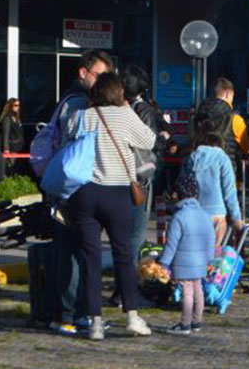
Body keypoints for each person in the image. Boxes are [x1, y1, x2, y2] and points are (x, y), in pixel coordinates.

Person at [65, 72, 157, 340]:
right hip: (118, 193)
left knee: (90, 258)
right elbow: (149, 140)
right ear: (119, 92)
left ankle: (94, 321)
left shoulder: (83, 116)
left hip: (85, 193)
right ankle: (132, 315)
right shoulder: (126, 115)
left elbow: (68, 133)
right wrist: (126, 109)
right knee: (123, 255)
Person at [36, 48, 113, 336]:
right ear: (84, 73)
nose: (104, 82)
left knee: (76, 250)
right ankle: (68, 314)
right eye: (100, 75)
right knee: (73, 252)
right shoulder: (79, 103)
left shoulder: (71, 99)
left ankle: (75, 312)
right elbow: (75, 146)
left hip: (69, 186)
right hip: (72, 188)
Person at [157, 175, 215, 336]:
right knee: (198, 290)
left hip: (183, 262)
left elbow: (171, 244)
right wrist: (209, 259)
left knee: (187, 292)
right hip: (201, 261)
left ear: (178, 194)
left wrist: (163, 263)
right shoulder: (205, 215)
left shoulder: (179, 217)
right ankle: (197, 321)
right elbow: (211, 240)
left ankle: (185, 324)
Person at [123, 65, 168, 252]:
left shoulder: (118, 108)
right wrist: (163, 139)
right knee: (137, 229)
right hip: (140, 174)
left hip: (120, 172)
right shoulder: (143, 109)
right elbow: (150, 141)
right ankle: (133, 266)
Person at [181, 119, 244, 244]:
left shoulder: (192, 158)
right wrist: (236, 217)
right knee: (215, 252)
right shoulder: (222, 158)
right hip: (217, 214)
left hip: (195, 212)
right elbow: (229, 191)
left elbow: (184, 186)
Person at [196, 77, 247, 167]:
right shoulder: (235, 119)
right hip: (226, 170)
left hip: (200, 169)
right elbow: (246, 146)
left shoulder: (199, 115)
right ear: (227, 94)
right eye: (232, 96)